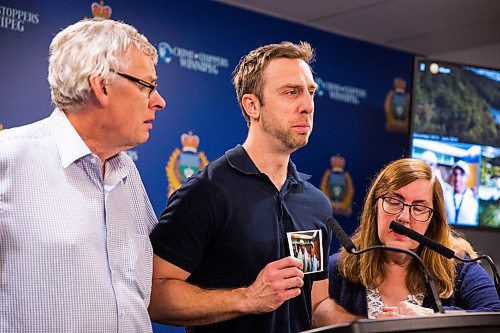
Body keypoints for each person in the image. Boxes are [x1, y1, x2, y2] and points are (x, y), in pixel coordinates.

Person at [149, 41, 337, 332]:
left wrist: (374, 323)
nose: (307, 106)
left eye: (310, 92)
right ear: (252, 105)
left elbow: (314, 304)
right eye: (291, 92)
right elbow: (154, 296)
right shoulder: (205, 193)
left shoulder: (315, 204)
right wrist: (248, 298)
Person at [0, 18, 166, 332]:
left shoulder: (126, 170)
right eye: (148, 86)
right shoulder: (7, 158)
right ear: (102, 86)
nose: (159, 101)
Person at [328, 158, 500, 323]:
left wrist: (434, 318)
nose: (403, 217)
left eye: (419, 208)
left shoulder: (457, 266)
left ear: (433, 219)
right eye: (394, 201)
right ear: (375, 207)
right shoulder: (340, 267)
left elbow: (494, 315)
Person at [444, 160, 479, 225]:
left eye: (462, 174)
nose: (457, 178)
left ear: (467, 178)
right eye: (455, 174)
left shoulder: (473, 199)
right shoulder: (445, 196)